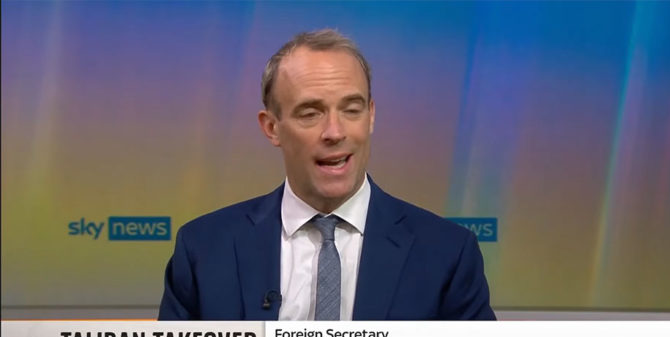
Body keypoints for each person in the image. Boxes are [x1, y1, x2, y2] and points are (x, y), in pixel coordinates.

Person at [158, 29, 496, 320]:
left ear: (371, 116)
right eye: (310, 113)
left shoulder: (447, 253)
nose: (335, 132)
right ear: (272, 127)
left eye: (352, 110)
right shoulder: (204, 250)